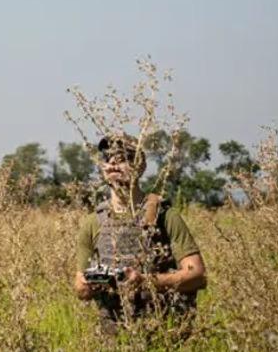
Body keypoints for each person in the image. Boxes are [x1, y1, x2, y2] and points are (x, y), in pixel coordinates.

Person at [73, 133, 207, 333]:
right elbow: (80, 289)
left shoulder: (165, 216)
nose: (113, 165)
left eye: (122, 159)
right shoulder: (93, 223)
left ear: (140, 166)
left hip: (165, 332)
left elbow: (197, 275)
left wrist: (145, 281)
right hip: (115, 337)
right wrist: (92, 284)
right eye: (108, 160)